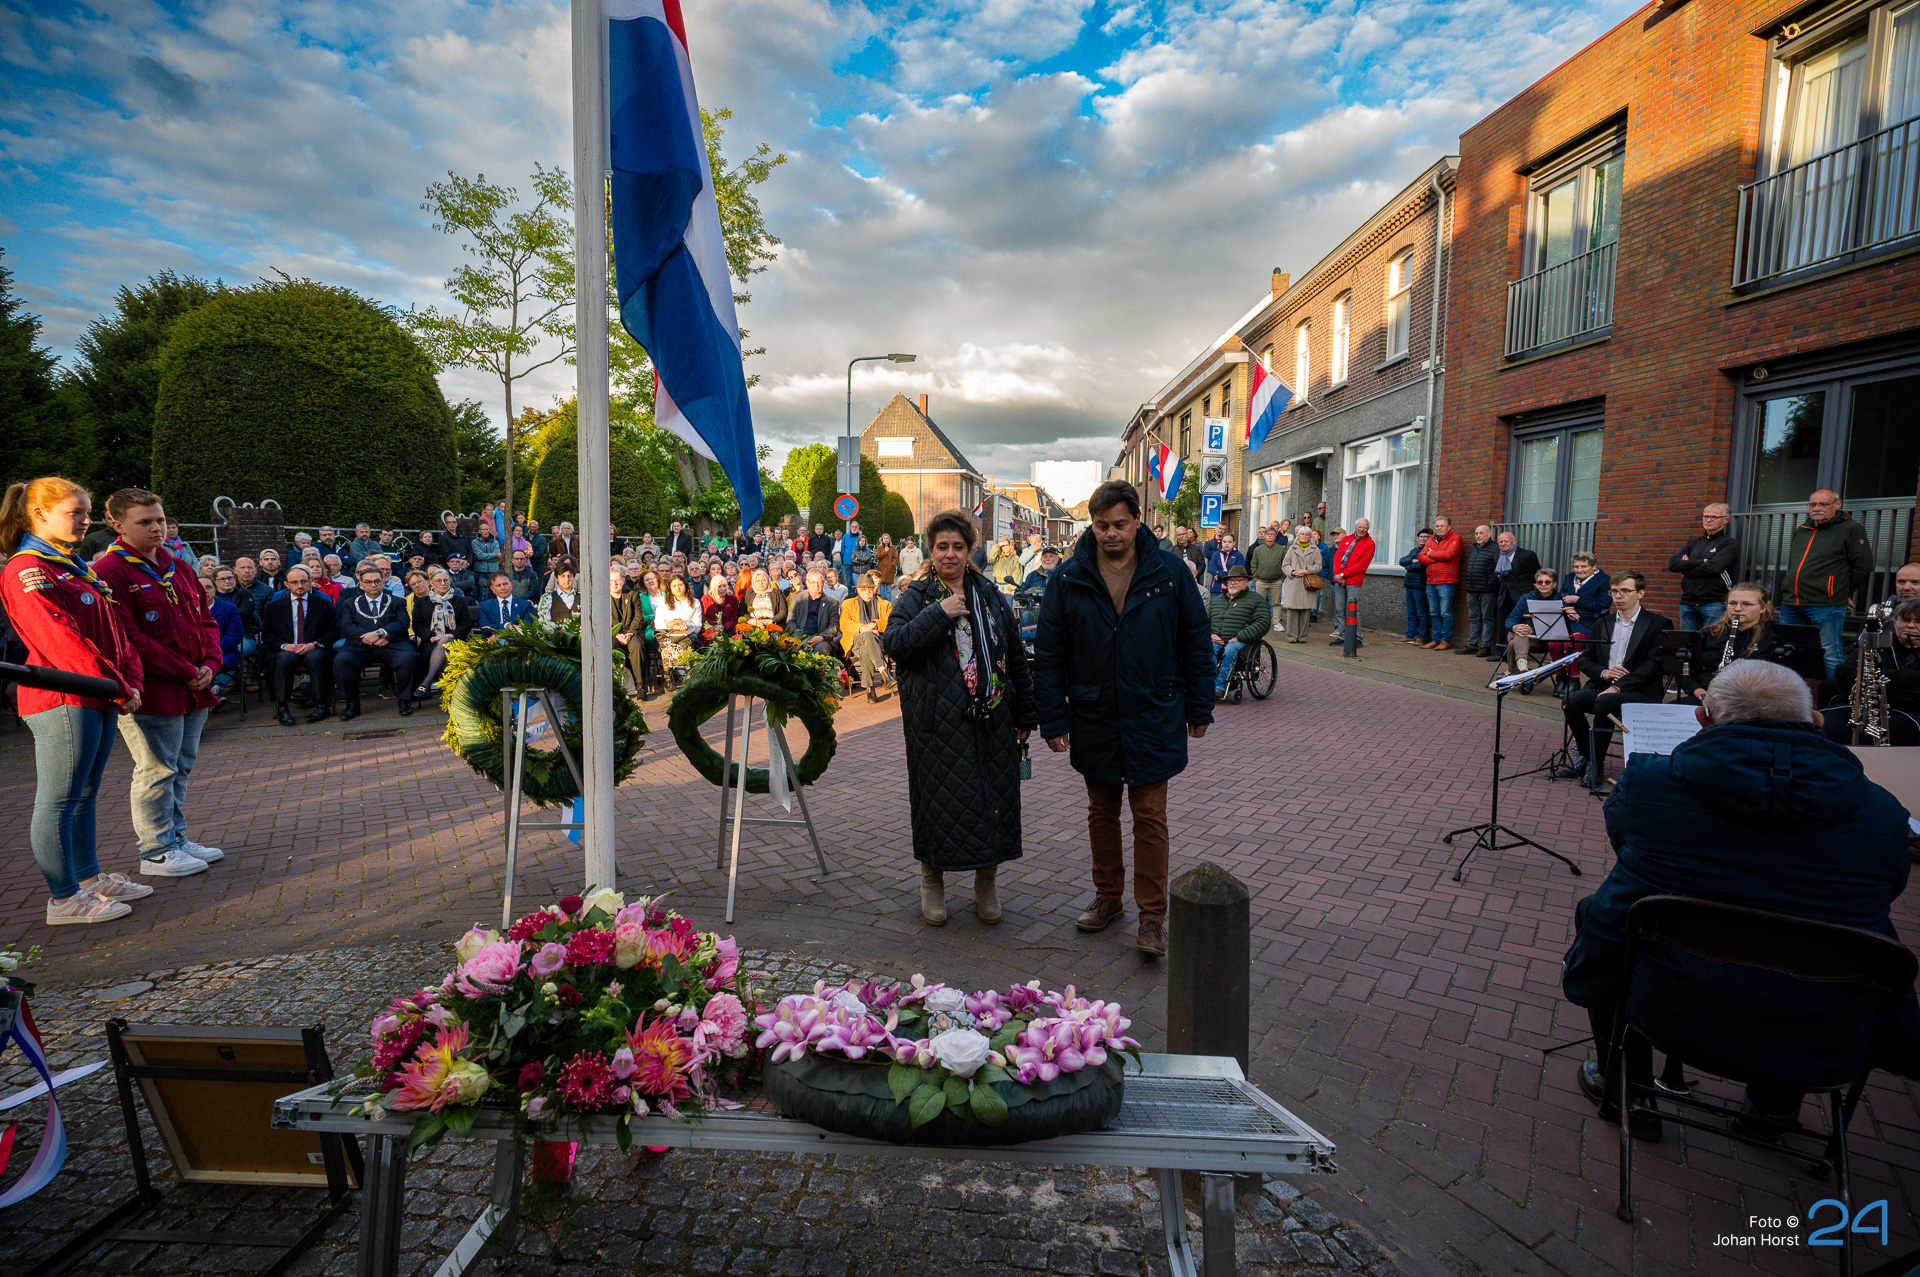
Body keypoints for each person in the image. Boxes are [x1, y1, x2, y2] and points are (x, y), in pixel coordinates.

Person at [1562, 659, 1920, 1141]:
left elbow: (1625, 846)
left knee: (1604, 912)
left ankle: (1627, 1089)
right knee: (1815, 931)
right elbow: (1890, 887)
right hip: (1822, 1028)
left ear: (1703, 719)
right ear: (1816, 721)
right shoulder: (1884, 814)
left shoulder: (1649, 784)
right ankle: (1769, 1114)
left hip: (1669, 1008)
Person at [1031, 481, 1212, 957]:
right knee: (1101, 812)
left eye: (1119, 524)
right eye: (1101, 525)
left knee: (1150, 815)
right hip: (1094, 712)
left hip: (1154, 709)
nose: (1110, 533)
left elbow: (1194, 639)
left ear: (1137, 520)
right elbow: (1049, 654)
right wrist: (1054, 718)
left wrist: (1200, 706)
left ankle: (1152, 916)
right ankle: (1108, 898)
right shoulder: (1069, 577)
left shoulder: (1170, 572)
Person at [1, 477, 154, 922]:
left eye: (86, 512)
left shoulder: (72, 564)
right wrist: (117, 685)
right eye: (77, 512)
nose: (88, 521)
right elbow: (60, 639)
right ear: (39, 514)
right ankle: (64, 897)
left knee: (85, 795)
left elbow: (114, 632)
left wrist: (129, 678)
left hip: (97, 694)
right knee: (58, 802)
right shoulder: (28, 567)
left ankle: (89, 878)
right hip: (66, 698)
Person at [883, 509, 1037, 929]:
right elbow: (896, 644)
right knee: (938, 803)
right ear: (929, 552)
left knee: (994, 801)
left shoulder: (989, 595)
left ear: (971, 550)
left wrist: (1025, 711)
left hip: (992, 718)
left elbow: (1014, 656)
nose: (949, 554)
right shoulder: (916, 596)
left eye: (958, 547)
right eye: (941, 547)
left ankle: (987, 884)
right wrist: (940, 612)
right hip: (936, 721)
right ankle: (932, 882)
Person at [95, 489, 224, 879]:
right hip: (151, 691)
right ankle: (155, 850)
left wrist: (210, 663)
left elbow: (206, 619)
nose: (157, 527)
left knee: (180, 767)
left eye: (160, 519)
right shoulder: (109, 572)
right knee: (155, 769)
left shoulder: (177, 565)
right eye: (145, 522)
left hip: (194, 685)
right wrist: (186, 670)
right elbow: (128, 637)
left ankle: (176, 838)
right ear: (117, 525)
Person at [1559, 572, 1672, 790]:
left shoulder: (1658, 623)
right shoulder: (1603, 622)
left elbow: (1654, 666)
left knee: (1605, 702)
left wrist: (1618, 685)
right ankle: (1588, 757)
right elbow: (1585, 660)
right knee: (1572, 700)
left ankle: (1596, 765)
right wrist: (1604, 673)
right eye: (1614, 591)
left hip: (1638, 690)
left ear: (1640, 593)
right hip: (1603, 685)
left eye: (1625, 591)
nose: (1618, 596)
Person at [1782, 489, 1874, 675]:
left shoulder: (1851, 529)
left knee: (1830, 654)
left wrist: (1842, 591)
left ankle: (1834, 700)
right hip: (1791, 603)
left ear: (1837, 505)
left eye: (1823, 504)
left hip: (1826, 605)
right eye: (1813, 504)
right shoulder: (1802, 529)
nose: (1817, 508)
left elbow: (1863, 566)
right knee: (1787, 652)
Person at [1821, 597, 1920, 746]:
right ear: (1895, 622)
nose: (1911, 626)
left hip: (1909, 712)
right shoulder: (1876, 642)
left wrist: (1872, 685)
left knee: (1873, 735)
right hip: (1862, 706)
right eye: (1905, 620)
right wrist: (1910, 678)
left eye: (1918, 622)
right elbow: (1845, 674)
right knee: (1824, 726)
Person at [335, 562, 418, 720]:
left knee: (409, 657)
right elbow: (347, 626)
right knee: (342, 660)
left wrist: (381, 633)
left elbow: (403, 623)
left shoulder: (397, 601)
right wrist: (370, 639)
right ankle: (352, 704)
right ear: (361, 583)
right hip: (360, 646)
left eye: (377, 581)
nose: (373, 585)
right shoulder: (350, 603)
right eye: (368, 582)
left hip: (392, 644)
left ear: (383, 582)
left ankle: (404, 700)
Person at [1678, 582, 1780, 705]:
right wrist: (1700, 693)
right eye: (1732, 603)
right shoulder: (1708, 633)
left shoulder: (1774, 636)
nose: (1737, 609)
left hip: (1753, 701)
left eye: (1746, 604)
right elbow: (1685, 672)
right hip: (1708, 697)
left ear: (1763, 608)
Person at [261, 565, 337, 724]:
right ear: (286, 584)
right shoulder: (274, 607)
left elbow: (333, 632)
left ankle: (322, 705)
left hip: (314, 648)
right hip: (287, 649)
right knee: (284, 660)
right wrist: (284, 646)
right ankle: (283, 708)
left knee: (316, 658)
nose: (300, 585)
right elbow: (267, 635)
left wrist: (314, 644)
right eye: (294, 582)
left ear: (310, 582)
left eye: (303, 581)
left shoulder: (323, 604)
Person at [1667, 502, 1741, 632]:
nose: (1708, 519)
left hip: (1714, 603)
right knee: (1687, 645)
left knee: (1712, 643)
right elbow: (1673, 564)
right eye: (1705, 516)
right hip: (1687, 602)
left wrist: (1686, 568)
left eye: (1714, 517)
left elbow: (1714, 568)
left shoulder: (1729, 544)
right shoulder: (1693, 543)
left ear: (1726, 520)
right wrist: (1702, 561)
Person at [407, 566, 471, 699]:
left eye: (446, 580)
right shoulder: (421, 602)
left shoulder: (459, 601)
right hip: (430, 643)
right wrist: (431, 636)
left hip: (456, 640)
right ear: (431, 583)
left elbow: (466, 624)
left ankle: (427, 682)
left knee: (446, 643)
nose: (443, 583)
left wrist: (452, 635)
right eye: (439, 581)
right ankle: (450, 695)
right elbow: (417, 625)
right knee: (445, 649)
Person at [1209, 565, 1271, 700]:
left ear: (1246, 582)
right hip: (1216, 639)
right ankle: (1209, 684)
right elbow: (1205, 620)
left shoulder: (1256, 599)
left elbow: (1263, 622)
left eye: (1237, 580)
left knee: (1230, 650)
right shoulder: (1218, 600)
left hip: (1241, 640)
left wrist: (1239, 637)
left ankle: (1220, 686)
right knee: (1207, 649)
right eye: (1231, 580)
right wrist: (1209, 634)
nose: (1233, 583)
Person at [1502, 568, 1571, 684]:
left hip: (1542, 641)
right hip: (1525, 639)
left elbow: (1558, 627)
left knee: (1514, 641)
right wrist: (1515, 627)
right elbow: (1511, 619)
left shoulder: (1560, 601)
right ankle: (1521, 664)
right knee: (1520, 629)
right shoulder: (1526, 598)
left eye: (1547, 582)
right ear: (1535, 584)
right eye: (1540, 582)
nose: (1543, 585)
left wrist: (1532, 631)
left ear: (1554, 584)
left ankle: (1513, 670)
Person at [840, 572, 891, 700]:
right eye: (863, 589)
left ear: (874, 589)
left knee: (866, 649)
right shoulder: (848, 603)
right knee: (867, 636)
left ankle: (870, 688)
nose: (867, 592)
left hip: (879, 640)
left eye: (870, 589)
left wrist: (874, 624)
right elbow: (844, 623)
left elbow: (890, 622)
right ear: (858, 590)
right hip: (855, 640)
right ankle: (883, 672)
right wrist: (862, 628)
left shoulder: (884, 603)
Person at [1489, 531, 1541, 655]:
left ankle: (1519, 654)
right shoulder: (1497, 555)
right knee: (1503, 624)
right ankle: (1501, 653)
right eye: (1500, 541)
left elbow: (1537, 574)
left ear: (1514, 541)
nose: (1503, 544)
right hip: (1503, 595)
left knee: (1520, 624)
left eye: (1506, 541)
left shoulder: (1527, 555)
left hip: (1521, 596)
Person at [1417, 515, 1463, 650]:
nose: (1439, 528)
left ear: (1449, 527)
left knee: (1445, 612)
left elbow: (1449, 555)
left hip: (1446, 581)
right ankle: (1435, 639)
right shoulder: (1431, 539)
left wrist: (1431, 554)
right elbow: (1421, 558)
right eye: (1437, 526)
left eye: (1442, 526)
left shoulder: (1456, 538)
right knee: (1434, 612)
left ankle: (1445, 640)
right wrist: (1436, 557)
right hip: (1431, 581)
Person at [1327, 519, 1374, 647]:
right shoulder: (1347, 539)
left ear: (1368, 529)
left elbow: (1362, 565)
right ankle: (1342, 635)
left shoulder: (1369, 544)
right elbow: (1337, 557)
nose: (1362, 529)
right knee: (1339, 609)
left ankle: (1357, 637)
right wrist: (1337, 574)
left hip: (1354, 580)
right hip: (1339, 579)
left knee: (1353, 609)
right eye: (1360, 527)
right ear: (1355, 526)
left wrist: (1343, 574)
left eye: (1365, 527)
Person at [1461, 525, 1501, 656]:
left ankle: (1485, 646)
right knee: (1474, 618)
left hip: (1487, 590)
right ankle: (1471, 645)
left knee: (1487, 618)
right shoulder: (1474, 548)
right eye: (1476, 533)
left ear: (1489, 534)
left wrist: (1491, 584)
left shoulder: (1495, 549)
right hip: (1472, 589)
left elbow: (1498, 570)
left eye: (1481, 533)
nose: (1478, 535)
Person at [655, 576, 700, 680]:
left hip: (687, 634)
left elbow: (697, 625)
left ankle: (690, 676)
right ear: (670, 588)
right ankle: (668, 678)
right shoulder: (663, 601)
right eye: (674, 586)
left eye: (680, 585)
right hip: (667, 634)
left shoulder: (694, 602)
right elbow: (658, 623)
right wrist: (673, 624)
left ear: (685, 585)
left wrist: (682, 622)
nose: (678, 588)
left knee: (688, 642)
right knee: (667, 644)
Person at [1280, 526, 1320, 643]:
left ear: (1310, 537)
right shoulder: (1292, 549)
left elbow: (1318, 566)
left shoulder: (1315, 549)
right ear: (1298, 535)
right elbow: (1285, 565)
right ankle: (1291, 636)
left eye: (1307, 534)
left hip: (1307, 583)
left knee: (1305, 611)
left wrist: (1307, 570)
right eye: (1302, 534)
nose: (1304, 536)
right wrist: (1292, 572)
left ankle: (1303, 636)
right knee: (1292, 610)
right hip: (1294, 582)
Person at [788, 570, 841, 654]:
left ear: (824, 583)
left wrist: (821, 637)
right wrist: (801, 637)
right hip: (800, 637)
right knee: (794, 648)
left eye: (819, 582)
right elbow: (791, 622)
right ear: (807, 583)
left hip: (821, 639)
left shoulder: (832, 603)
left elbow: (834, 626)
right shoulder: (797, 599)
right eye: (813, 582)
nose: (816, 586)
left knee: (821, 649)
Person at [1246, 524, 1288, 627]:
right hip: (1261, 581)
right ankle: (1259, 622)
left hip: (1276, 581)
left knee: (1276, 603)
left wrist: (1281, 579)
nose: (1269, 536)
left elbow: (1284, 564)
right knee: (1259, 603)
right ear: (1264, 536)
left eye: (1272, 534)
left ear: (1275, 536)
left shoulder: (1281, 549)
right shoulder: (1258, 550)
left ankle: (1276, 622)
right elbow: (1253, 564)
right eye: (1268, 534)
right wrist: (1256, 578)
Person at [1398, 528, 1432, 645]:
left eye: (1425, 537)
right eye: (1421, 536)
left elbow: (1421, 566)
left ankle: (1421, 636)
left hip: (1420, 586)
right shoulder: (1414, 551)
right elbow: (1402, 561)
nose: (1423, 538)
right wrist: (1412, 561)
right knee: (1411, 612)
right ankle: (1410, 635)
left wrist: (1409, 566)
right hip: (1409, 585)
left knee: (1421, 612)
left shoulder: (1428, 551)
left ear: (1430, 539)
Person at [700, 572, 739, 637]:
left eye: (724, 586)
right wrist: (714, 625)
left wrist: (725, 627)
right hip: (710, 628)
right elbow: (703, 617)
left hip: (728, 629)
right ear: (714, 587)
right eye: (719, 587)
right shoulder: (705, 599)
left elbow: (734, 617)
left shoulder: (732, 598)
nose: (723, 589)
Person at [875, 533, 899, 602]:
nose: (886, 540)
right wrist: (884, 551)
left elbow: (896, 558)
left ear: (889, 540)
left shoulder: (892, 548)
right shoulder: (879, 548)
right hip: (881, 570)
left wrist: (892, 565)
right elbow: (878, 556)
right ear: (882, 540)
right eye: (884, 538)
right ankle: (882, 603)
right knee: (882, 588)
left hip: (889, 571)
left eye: (887, 538)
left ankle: (889, 603)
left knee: (888, 589)